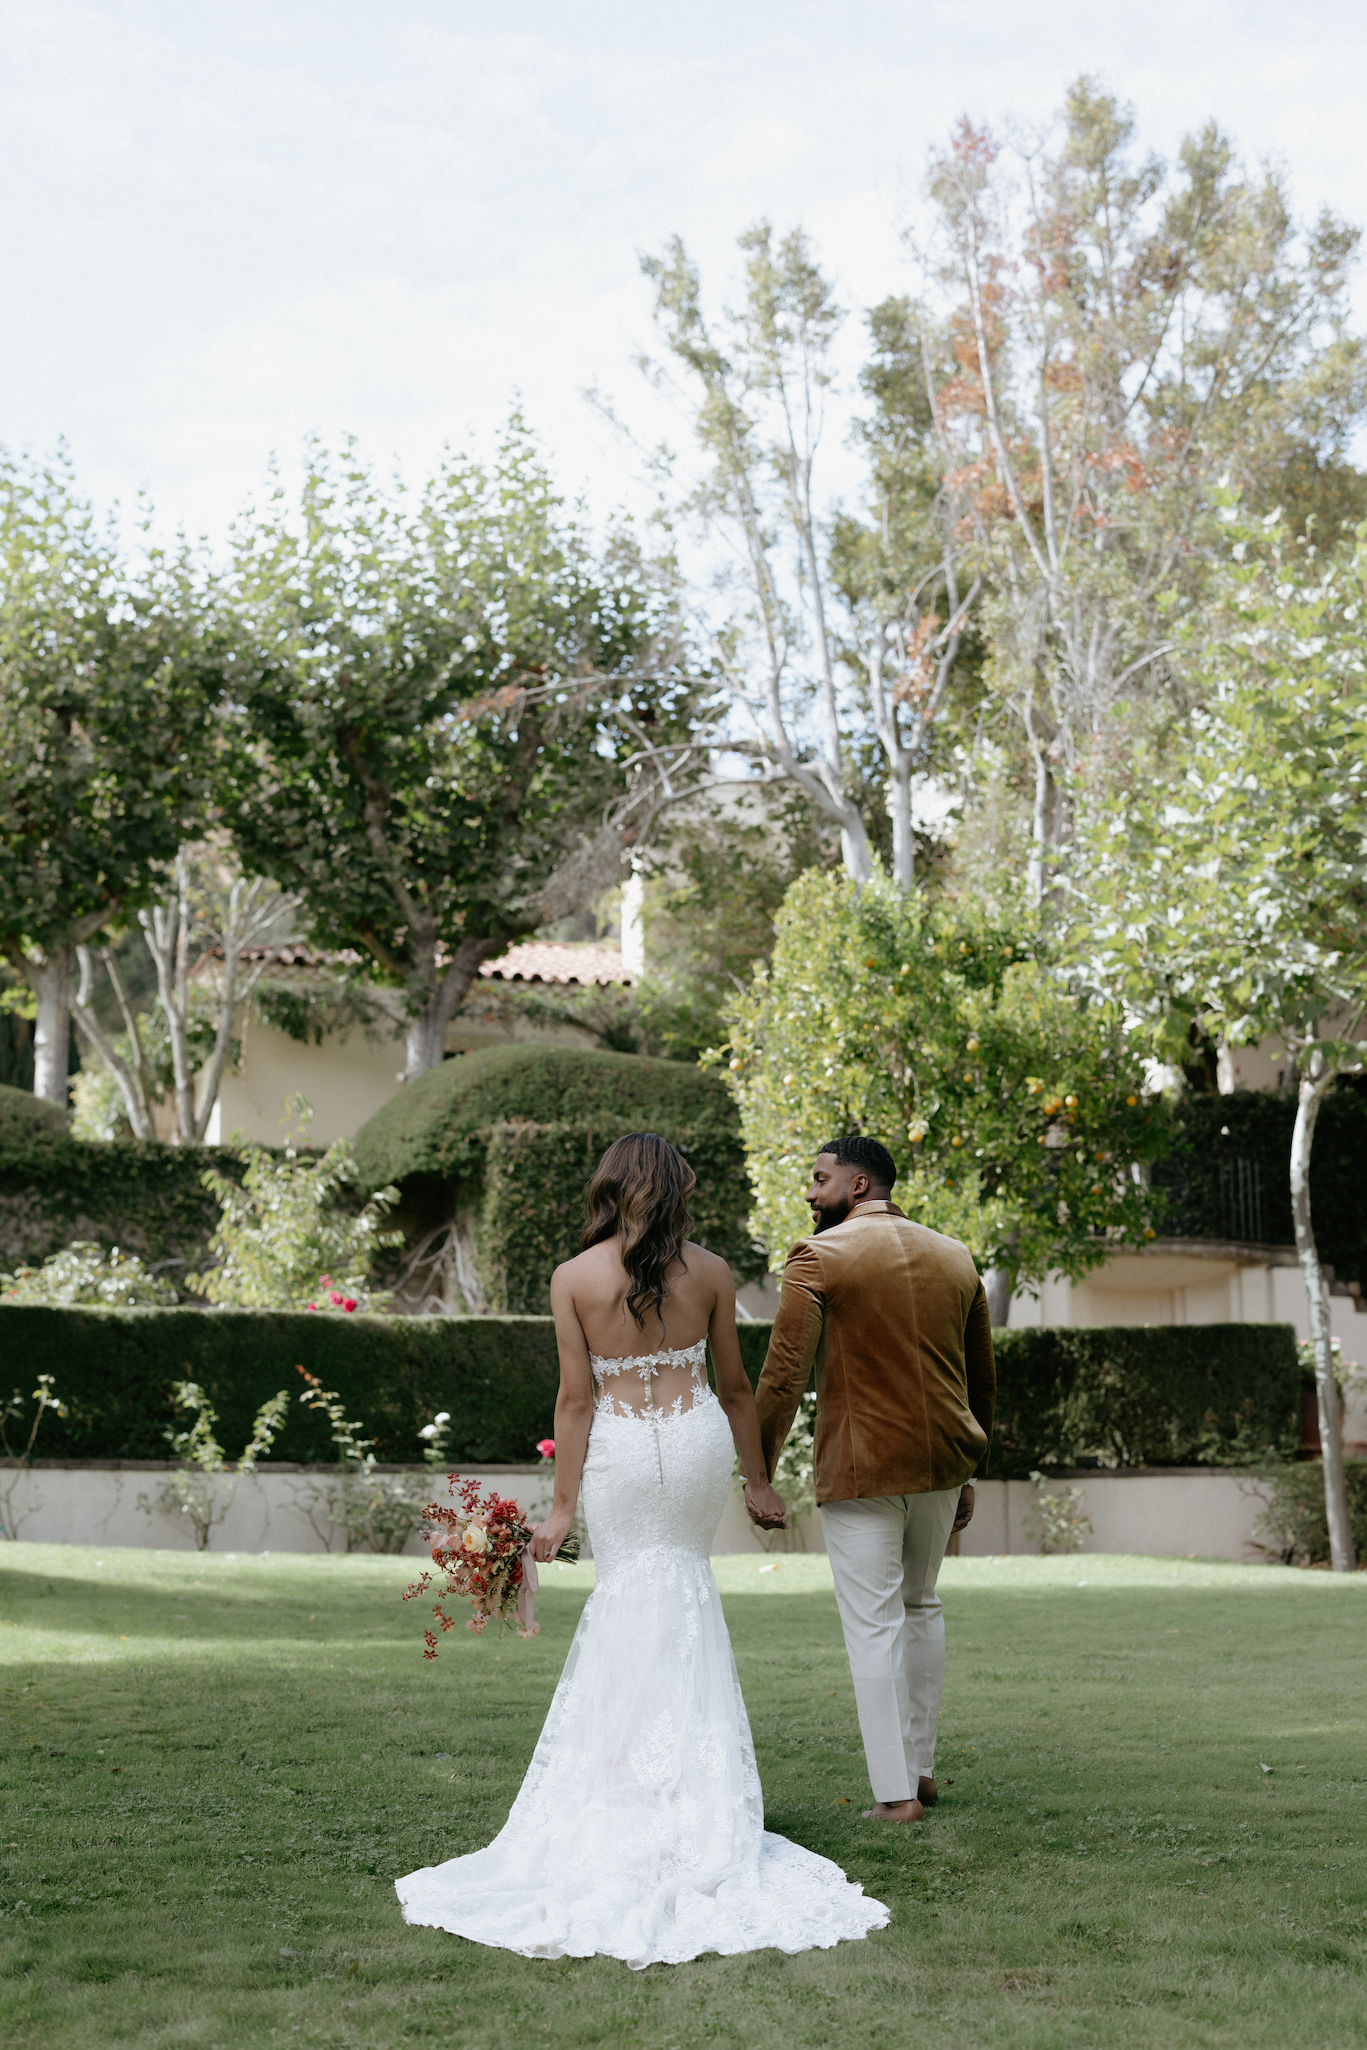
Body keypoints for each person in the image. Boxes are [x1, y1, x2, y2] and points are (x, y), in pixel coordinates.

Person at [395, 1131, 890, 1967]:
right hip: (693, 1444)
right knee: (684, 1590)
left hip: (621, 1452)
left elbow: (574, 1401)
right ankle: (684, 1793)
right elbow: (735, 1389)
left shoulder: (573, 1278)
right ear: (675, 1191)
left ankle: (631, 1789)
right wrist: (757, 1483)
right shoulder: (712, 1272)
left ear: (610, 1189)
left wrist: (559, 1511)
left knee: (628, 1593)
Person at [747, 1135, 994, 1824]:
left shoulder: (817, 1255)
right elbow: (979, 1374)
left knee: (873, 1624)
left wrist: (758, 1472)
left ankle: (894, 1795)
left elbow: (784, 1373)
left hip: (862, 1468)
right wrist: (972, 1470)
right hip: (942, 1462)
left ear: (858, 1186)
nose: (809, 1192)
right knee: (920, 1606)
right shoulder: (955, 1254)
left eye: (819, 1178)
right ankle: (920, 1772)